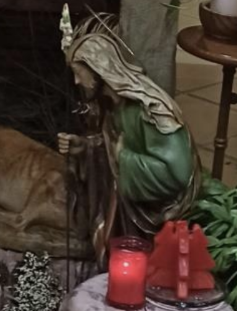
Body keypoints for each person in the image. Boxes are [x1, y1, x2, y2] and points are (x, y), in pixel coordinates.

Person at [56, 14, 200, 266]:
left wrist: (125, 158)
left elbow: (178, 174)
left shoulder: (151, 110)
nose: (77, 81)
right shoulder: (115, 106)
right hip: (127, 203)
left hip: (158, 210)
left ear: (99, 69)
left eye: (79, 73)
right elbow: (110, 147)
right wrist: (84, 148)